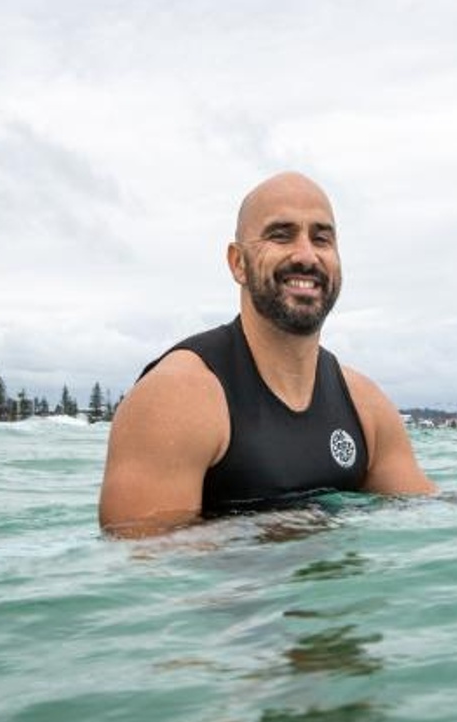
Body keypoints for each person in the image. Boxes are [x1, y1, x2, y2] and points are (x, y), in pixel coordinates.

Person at [99, 171, 436, 537]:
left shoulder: (364, 405)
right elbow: (145, 574)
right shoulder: (177, 397)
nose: (307, 256)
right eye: (281, 235)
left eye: (321, 238)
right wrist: (280, 537)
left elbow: (425, 521)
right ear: (237, 263)